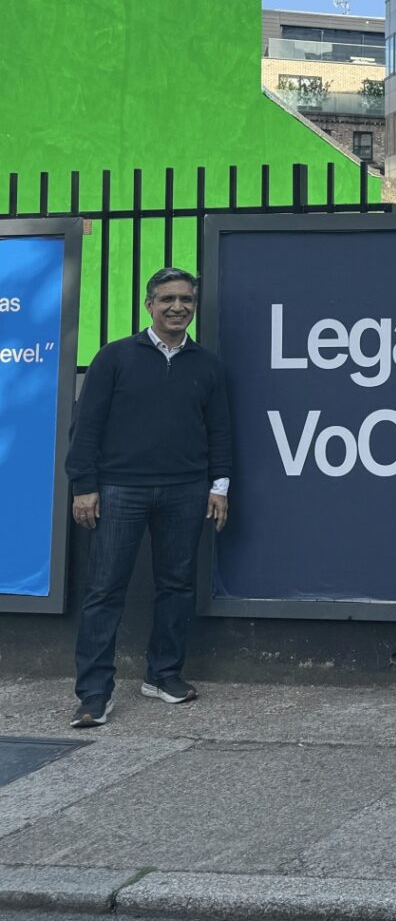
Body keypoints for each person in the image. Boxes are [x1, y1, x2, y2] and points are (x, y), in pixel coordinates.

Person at [66, 267, 232, 728]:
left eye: (186, 300)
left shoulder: (208, 365)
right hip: (120, 489)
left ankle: (164, 675)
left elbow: (220, 431)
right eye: (167, 300)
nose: (178, 307)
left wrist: (219, 486)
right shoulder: (115, 357)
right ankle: (94, 694)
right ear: (149, 306)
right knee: (105, 590)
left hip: (186, 489)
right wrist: (84, 486)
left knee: (177, 586)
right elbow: (87, 428)